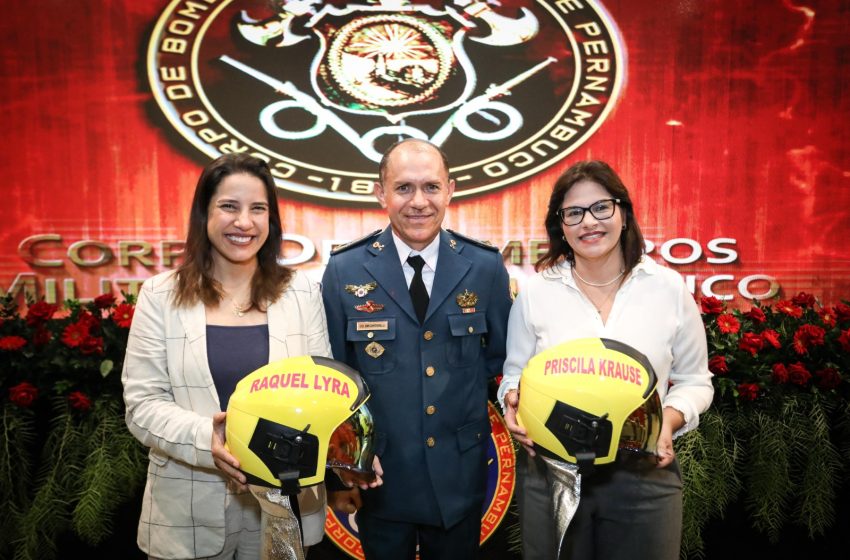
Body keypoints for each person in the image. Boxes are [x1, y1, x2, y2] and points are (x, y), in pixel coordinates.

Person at [498, 160, 714, 560]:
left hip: (643, 470)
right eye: (573, 213)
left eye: (601, 207)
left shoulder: (666, 288)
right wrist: (511, 400)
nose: (588, 223)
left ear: (623, 212)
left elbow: (695, 381)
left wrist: (665, 423)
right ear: (559, 225)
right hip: (553, 473)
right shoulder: (536, 293)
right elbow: (514, 376)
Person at [122, 153, 332, 559]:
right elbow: (142, 406)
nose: (244, 222)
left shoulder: (302, 292)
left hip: (283, 508)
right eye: (229, 207)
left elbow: (321, 393)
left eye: (258, 209)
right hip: (185, 513)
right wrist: (209, 439)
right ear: (205, 214)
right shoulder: (159, 295)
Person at [321, 138, 513, 560]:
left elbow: (502, 363)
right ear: (381, 193)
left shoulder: (483, 267)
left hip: (459, 477)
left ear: (450, 190)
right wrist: (341, 470)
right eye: (404, 187)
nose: (419, 202)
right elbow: (334, 379)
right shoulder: (344, 270)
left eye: (431, 187)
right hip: (382, 478)